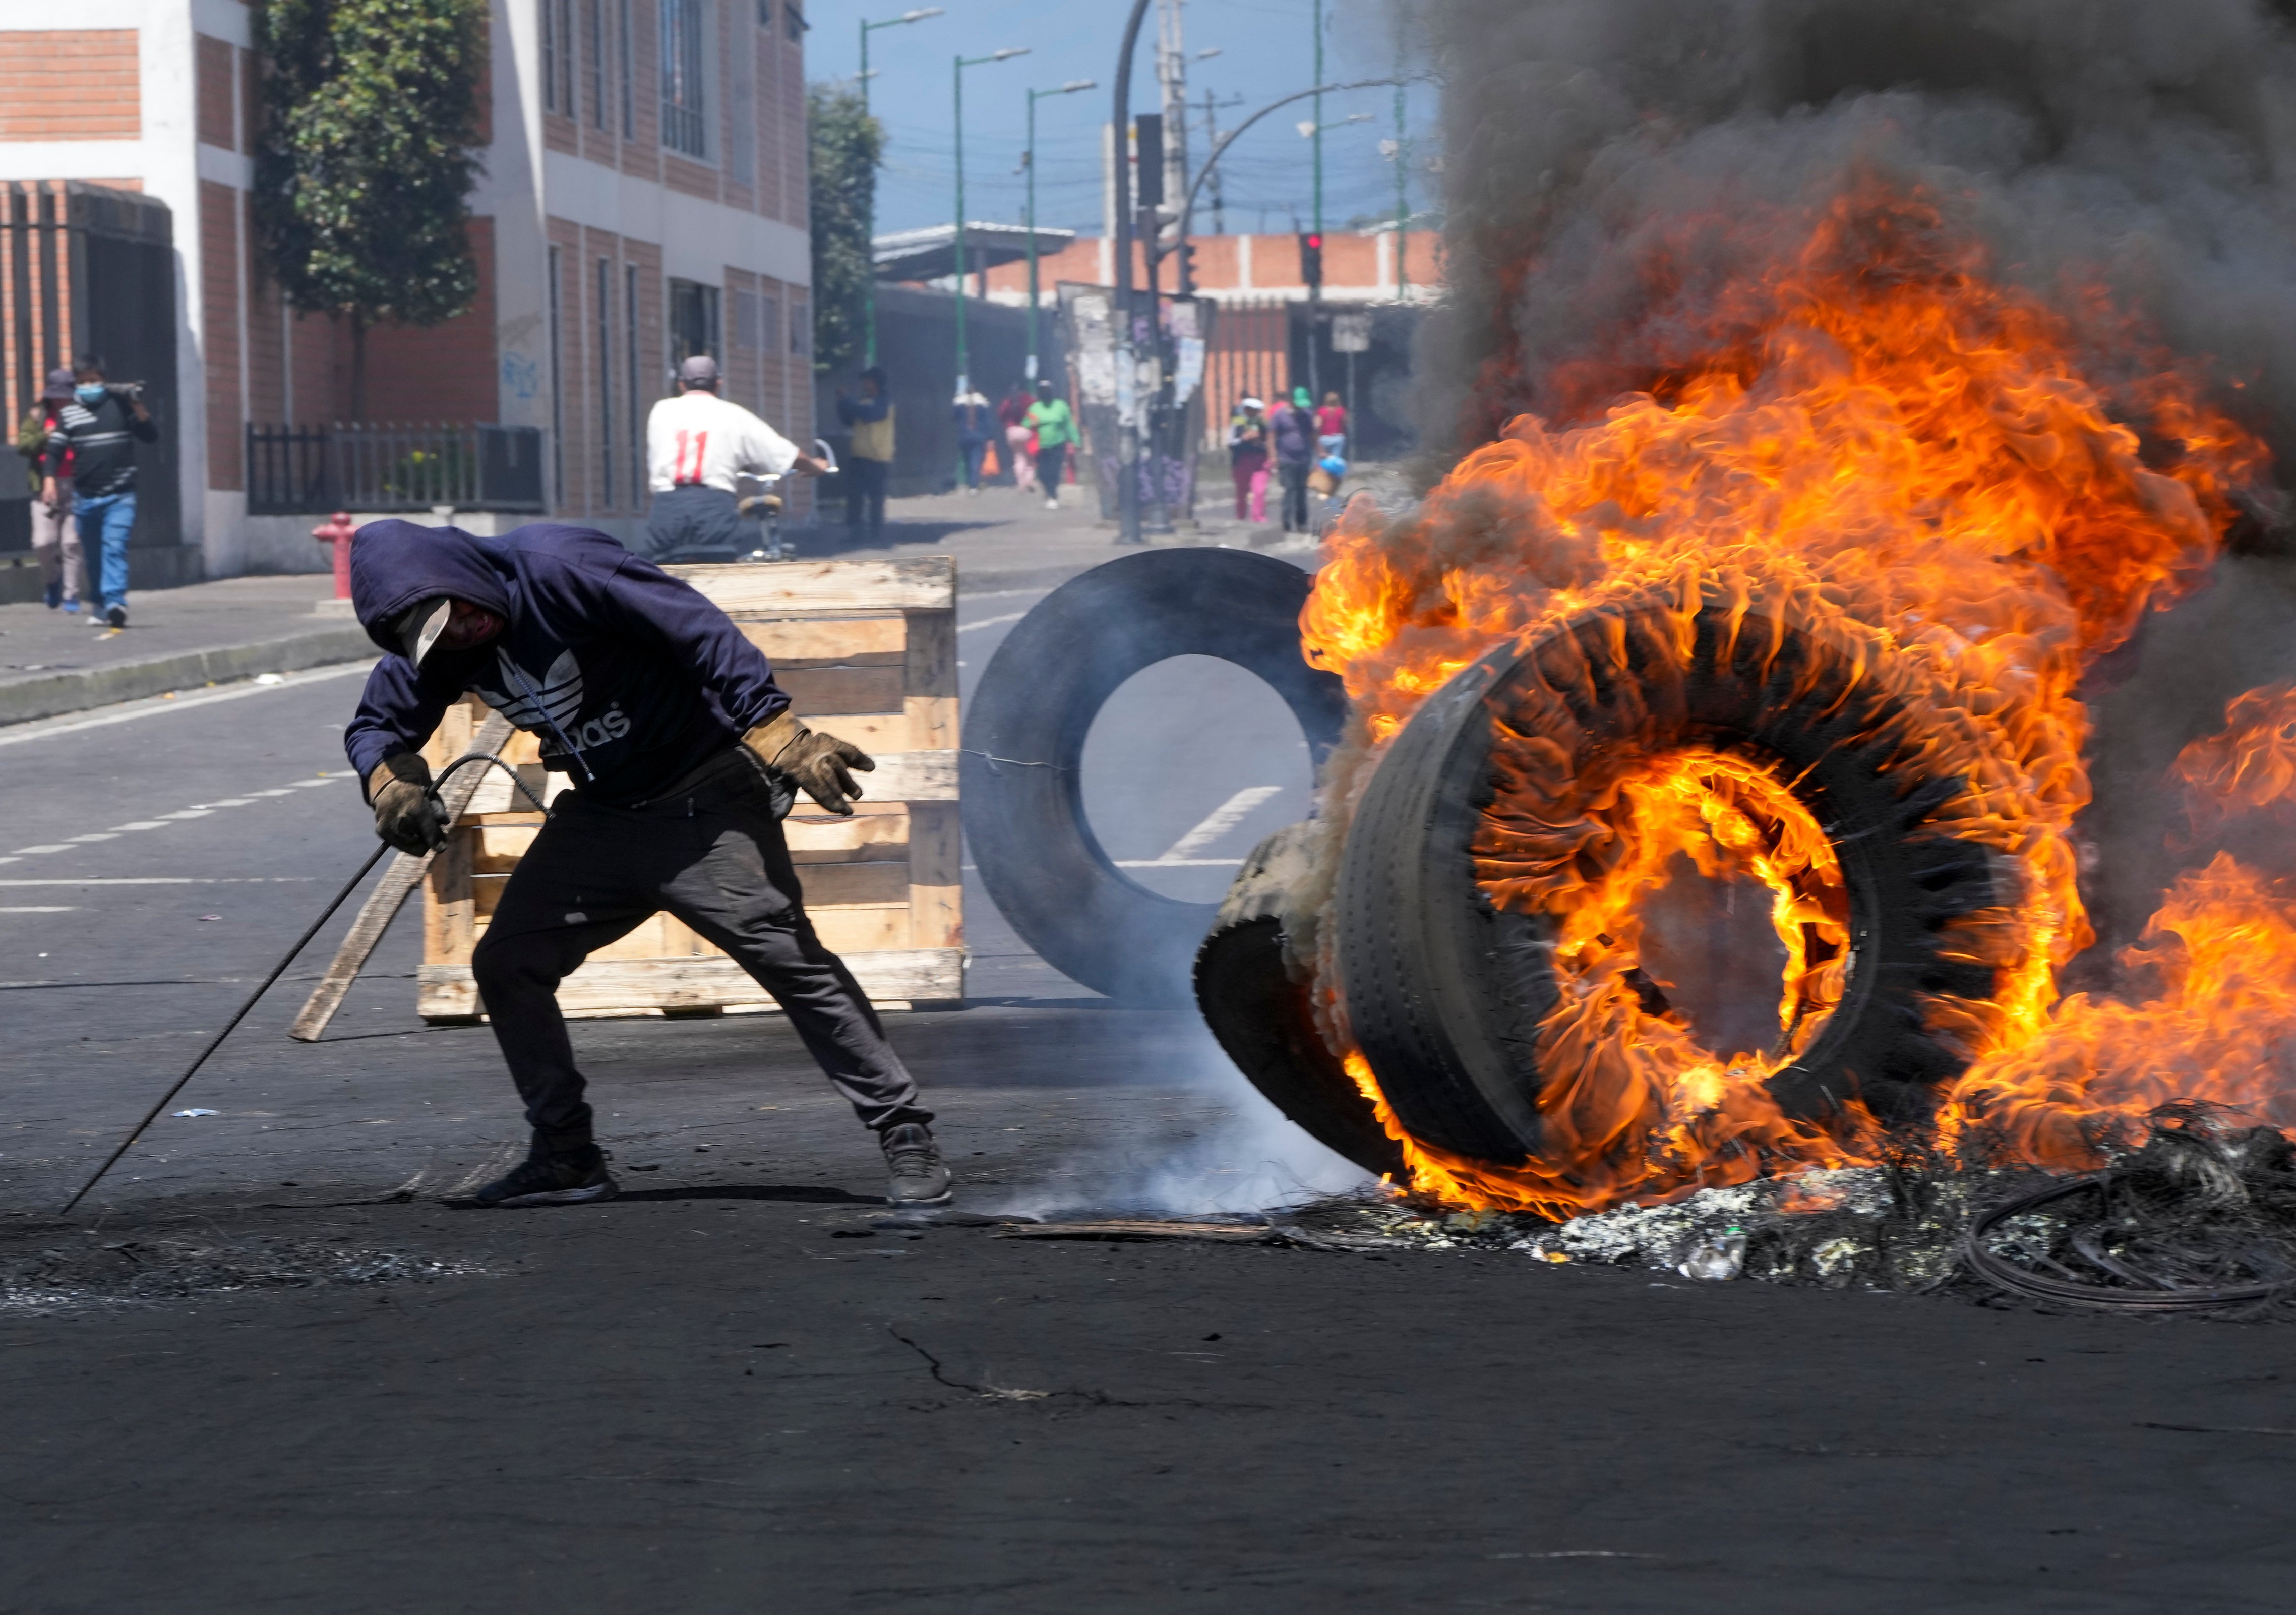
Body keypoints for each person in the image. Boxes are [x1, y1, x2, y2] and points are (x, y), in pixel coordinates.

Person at [342, 518, 953, 1210]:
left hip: (706, 799)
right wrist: (391, 784)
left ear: (463, 572)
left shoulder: (563, 566)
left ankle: (903, 1129)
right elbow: (376, 726)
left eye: (458, 613)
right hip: (602, 814)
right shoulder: (437, 644)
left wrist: (778, 730)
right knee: (507, 963)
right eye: (436, 633)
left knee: (790, 958)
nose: (459, 632)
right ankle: (567, 1155)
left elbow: (698, 627)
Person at [644, 354, 826, 560]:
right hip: (713, 509)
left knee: (662, 582)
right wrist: (814, 466)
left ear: (681, 384)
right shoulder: (733, 415)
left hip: (666, 509)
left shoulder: (660, 411)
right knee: (719, 578)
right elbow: (787, 455)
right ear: (718, 384)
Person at [43, 356, 156, 628]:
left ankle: (116, 601)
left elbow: (150, 435)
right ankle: (100, 603)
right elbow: (55, 450)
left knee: (114, 548)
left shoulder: (120, 406)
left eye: (93, 380)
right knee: (93, 555)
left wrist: (138, 407)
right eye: (82, 382)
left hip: (121, 495)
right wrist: (49, 481)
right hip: (86, 497)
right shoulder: (69, 413)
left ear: (105, 380)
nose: (88, 386)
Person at [16, 368, 81, 612]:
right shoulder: (39, 415)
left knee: (71, 543)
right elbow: (23, 445)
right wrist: (45, 435)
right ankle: (52, 581)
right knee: (43, 542)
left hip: (74, 483)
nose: (61, 401)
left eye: (66, 396)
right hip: (44, 486)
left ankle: (71, 595)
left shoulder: (80, 414)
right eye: (57, 396)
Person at [836, 368, 894, 540]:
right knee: (854, 496)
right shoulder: (863, 402)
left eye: (868, 380)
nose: (865, 384)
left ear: (876, 382)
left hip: (878, 458)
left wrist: (847, 401)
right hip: (859, 455)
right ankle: (856, 531)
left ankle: (876, 533)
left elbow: (869, 415)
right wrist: (842, 402)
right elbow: (848, 419)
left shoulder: (885, 403)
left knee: (876, 498)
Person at [1024, 378, 1077, 511]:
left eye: (1047, 391)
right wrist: (1031, 424)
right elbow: (1025, 425)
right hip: (1041, 447)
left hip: (1058, 444)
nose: (1045, 393)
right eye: (1043, 391)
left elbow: (1069, 425)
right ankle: (1048, 492)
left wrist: (1076, 440)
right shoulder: (1034, 408)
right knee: (1043, 473)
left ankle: (1052, 495)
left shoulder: (1061, 406)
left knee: (1054, 471)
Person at [1272, 385, 1317, 533]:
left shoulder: (1307, 415)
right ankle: (1286, 522)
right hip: (1286, 459)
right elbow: (1271, 435)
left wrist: (1321, 452)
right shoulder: (1279, 416)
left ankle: (1301, 522)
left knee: (1302, 491)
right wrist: (1272, 456)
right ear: (1292, 400)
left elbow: (1312, 435)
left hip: (1304, 459)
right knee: (1290, 490)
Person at [1228, 395, 1270, 524]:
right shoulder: (1237, 423)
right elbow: (1231, 443)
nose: (1255, 413)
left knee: (1260, 490)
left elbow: (1270, 440)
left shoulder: (1263, 424)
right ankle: (1240, 516)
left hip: (1260, 460)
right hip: (1242, 460)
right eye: (1252, 410)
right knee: (1242, 491)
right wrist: (1244, 438)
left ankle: (1258, 517)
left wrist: (1261, 443)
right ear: (1246, 409)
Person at [952, 384, 993, 495]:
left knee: (966, 460)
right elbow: (987, 422)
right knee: (975, 460)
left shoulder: (959, 403)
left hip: (964, 435)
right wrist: (990, 437)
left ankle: (966, 482)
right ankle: (973, 486)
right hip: (978, 435)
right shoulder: (983, 403)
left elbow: (954, 417)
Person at [998, 383, 1037, 494]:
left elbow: (1000, 415)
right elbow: (1034, 410)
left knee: (1019, 458)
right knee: (1030, 458)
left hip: (1012, 432)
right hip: (1026, 430)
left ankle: (1022, 484)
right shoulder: (1026, 398)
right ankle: (1030, 480)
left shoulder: (1008, 401)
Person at [1316, 390, 1349, 460]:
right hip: (1338, 438)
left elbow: (1318, 425)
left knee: (1324, 460)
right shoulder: (1341, 410)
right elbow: (1346, 422)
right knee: (1335, 460)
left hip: (1324, 439)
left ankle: (1325, 470)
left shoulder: (1322, 411)